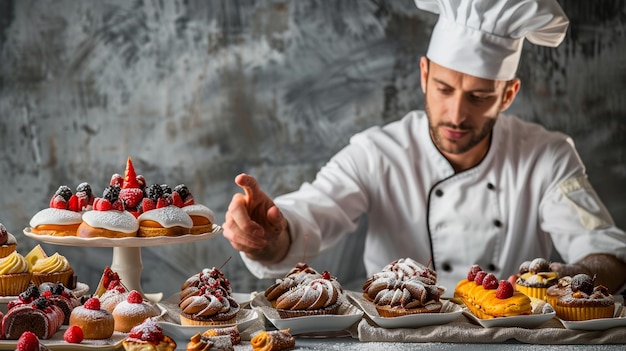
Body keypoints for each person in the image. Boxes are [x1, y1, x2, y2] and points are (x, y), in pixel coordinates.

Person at [223, 0, 626, 294]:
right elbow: (311, 213)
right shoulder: (377, 152)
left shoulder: (547, 156)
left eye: (479, 97)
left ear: (508, 94)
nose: (456, 114)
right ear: (423, 75)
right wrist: (268, 234)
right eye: (444, 89)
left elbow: (606, 254)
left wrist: (567, 279)